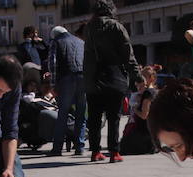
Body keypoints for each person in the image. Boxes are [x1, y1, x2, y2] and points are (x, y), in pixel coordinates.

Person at [83, 0, 142, 164]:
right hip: (114, 76)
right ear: (111, 10)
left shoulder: (89, 28)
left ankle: (95, 151)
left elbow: (87, 56)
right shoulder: (116, 27)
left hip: (93, 79)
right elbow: (127, 54)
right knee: (113, 117)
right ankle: (114, 152)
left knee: (94, 118)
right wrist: (137, 76)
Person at [48, 25, 86, 156]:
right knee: (81, 113)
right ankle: (79, 146)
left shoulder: (56, 41)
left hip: (66, 78)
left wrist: (52, 85)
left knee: (63, 114)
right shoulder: (81, 42)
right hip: (83, 77)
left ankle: (57, 148)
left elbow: (52, 64)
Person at [119, 65, 158, 155]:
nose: (141, 79)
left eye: (143, 77)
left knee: (123, 147)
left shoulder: (148, 93)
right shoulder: (155, 91)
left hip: (143, 135)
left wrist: (134, 109)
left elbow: (144, 115)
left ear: (151, 78)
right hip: (152, 136)